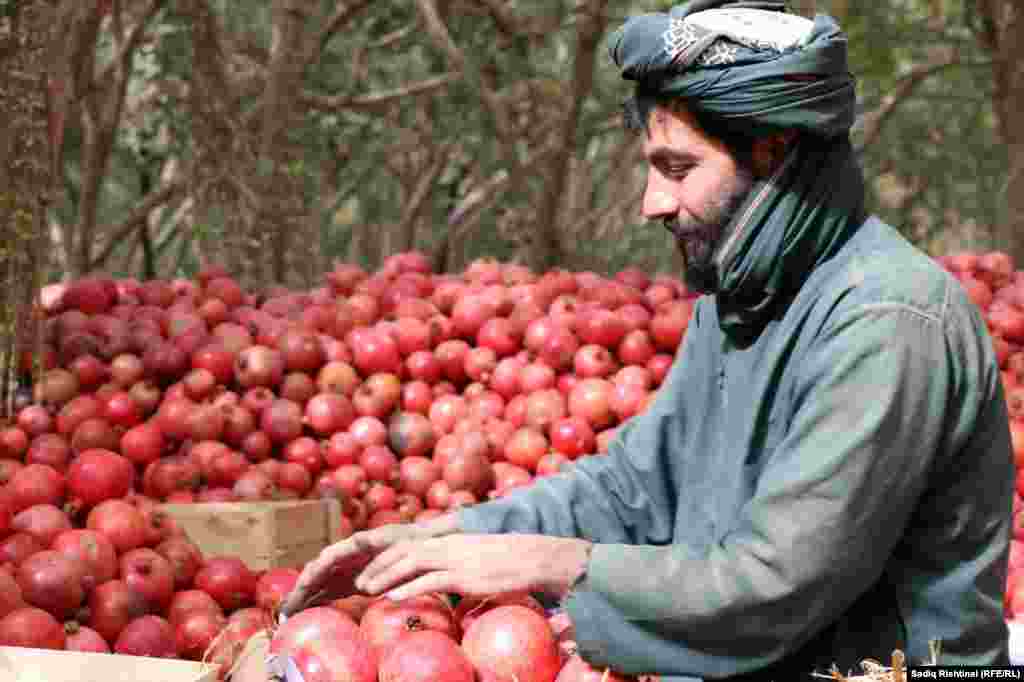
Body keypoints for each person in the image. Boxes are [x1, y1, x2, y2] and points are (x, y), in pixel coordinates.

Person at [277, 1, 1014, 679]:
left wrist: (554, 561)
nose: (651, 203)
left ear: (771, 152)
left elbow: (776, 585)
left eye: (679, 168)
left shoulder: (887, 321)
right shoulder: (744, 294)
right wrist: (444, 539)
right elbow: (637, 486)